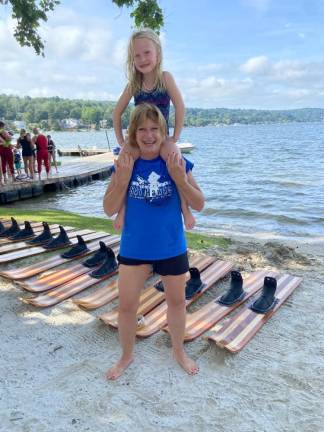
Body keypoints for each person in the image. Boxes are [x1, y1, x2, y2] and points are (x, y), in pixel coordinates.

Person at [103, 103, 204, 380]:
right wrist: (122, 179)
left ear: (164, 132)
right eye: (142, 130)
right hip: (134, 247)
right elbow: (109, 208)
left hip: (171, 245)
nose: (148, 135)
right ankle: (126, 355)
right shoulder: (126, 163)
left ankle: (178, 351)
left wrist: (180, 179)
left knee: (177, 303)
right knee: (126, 306)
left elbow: (199, 202)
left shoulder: (176, 160)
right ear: (133, 134)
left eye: (154, 129)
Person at [112, 28, 195, 232]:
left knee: (177, 161)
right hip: (139, 138)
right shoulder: (134, 84)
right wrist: (122, 141)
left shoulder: (165, 78)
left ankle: (185, 210)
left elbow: (180, 106)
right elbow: (116, 113)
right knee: (125, 163)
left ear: (158, 53)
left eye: (147, 53)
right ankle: (121, 210)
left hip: (162, 137)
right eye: (136, 56)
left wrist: (175, 137)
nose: (142, 59)